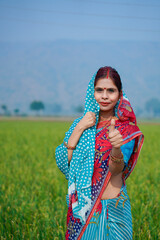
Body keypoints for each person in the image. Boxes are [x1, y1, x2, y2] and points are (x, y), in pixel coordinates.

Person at [55, 66, 144, 240]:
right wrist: (80, 128)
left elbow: (116, 170)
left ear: (119, 94)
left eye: (111, 90)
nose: (104, 96)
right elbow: (63, 162)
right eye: (99, 90)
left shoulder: (125, 128)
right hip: (82, 210)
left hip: (113, 209)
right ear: (92, 92)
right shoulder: (80, 124)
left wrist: (116, 147)